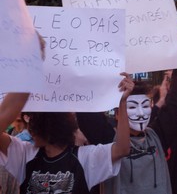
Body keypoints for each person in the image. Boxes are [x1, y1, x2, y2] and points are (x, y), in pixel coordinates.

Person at [0, 72, 133, 194]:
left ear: (47, 126)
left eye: (34, 122)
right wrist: (26, 72)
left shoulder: (84, 158)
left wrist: (122, 102)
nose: (30, 128)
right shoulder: (26, 155)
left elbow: (122, 149)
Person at [103, 19, 177, 194]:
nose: (141, 113)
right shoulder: (107, 141)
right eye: (133, 107)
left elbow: (175, 101)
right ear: (118, 113)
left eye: (145, 105)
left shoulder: (157, 136)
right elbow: (87, 115)